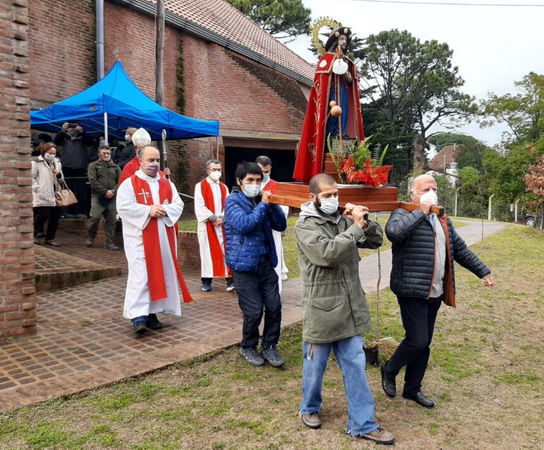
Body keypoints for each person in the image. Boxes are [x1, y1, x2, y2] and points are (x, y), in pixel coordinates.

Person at [295, 173, 395, 445]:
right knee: (314, 368)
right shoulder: (305, 226)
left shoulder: (343, 219)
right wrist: (353, 228)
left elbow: (374, 241)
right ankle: (309, 407)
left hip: (350, 307)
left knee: (356, 366)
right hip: (322, 309)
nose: (333, 199)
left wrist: (364, 220)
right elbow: (326, 254)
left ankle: (363, 423)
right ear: (313, 198)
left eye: (335, 194)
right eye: (327, 195)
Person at [381, 174, 495, 408]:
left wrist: (483, 271)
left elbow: (460, 250)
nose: (431, 192)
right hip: (411, 289)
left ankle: (412, 389)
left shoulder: (442, 218)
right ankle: (389, 369)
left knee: (425, 343)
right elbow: (394, 233)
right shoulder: (402, 213)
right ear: (413, 193)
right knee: (418, 339)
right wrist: (420, 211)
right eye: (425, 189)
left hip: (435, 291)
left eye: (434, 188)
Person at [116, 145, 193, 334]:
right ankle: (138, 316)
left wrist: (165, 210)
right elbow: (123, 207)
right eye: (150, 160)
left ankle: (152, 313)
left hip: (163, 239)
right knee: (141, 275)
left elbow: (178, 204)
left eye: (157, 160)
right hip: (139, 240)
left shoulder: (167, 183)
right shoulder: (129, 184)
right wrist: (147, 210)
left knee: (161, 273)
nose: (154, 164)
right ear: (140, 160)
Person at [224, 162, 287, 367]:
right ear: (239, 181)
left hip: (265, 263)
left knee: (274, 306)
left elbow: (281, 224)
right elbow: (245, 224)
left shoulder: (262, 200)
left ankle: (269, 345)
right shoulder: (232, 202)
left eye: (258, 180)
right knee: (253, 311)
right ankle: (248, 346)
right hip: (244, 267)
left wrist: (272, 203)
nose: (255, 184)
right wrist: (263, 205)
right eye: (250, 180)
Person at [293, 27, 365, 183]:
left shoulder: (348, 61)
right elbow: (321, 79)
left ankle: (342, 134)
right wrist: (335, 66)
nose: (344, 42)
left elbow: (351, 80)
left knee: (344, 114)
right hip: (331, 94)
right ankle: (332, 135)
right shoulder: (327, 58)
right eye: (341, 39)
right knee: (333, 115)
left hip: (344, 92)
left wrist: (345, 73)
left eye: (346, 40)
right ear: (334, 42)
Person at [194, 159, 233, 292]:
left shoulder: (224, 187)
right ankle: (206, 281)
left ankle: (229, 280)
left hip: (221, 225)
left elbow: (228, 205)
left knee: (225, 252)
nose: (217, 172)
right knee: (206, 253)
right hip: (207, 225)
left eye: (219, 170)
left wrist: (222, 217)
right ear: (208, 171)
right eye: (214, 170)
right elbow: (200, 205)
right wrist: (212, 218)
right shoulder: (200, 186)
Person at [255, 155, 289, 290]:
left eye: (266, 172)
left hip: (272, 229)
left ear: (270, 170)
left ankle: (276, 291)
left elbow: (284, 209)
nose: (263, 174)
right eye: (261, 171)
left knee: (274, 260)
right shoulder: (250, 184)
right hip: (255, 228)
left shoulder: (277, 186)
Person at [54, 122, 94, 218]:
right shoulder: (64, 137)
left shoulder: (82, 137)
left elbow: (90, 142)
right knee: (68, 191)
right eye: (70, 127)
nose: (72, 129)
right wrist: (62, 130)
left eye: (74, 126)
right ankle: (69, 212)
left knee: (82, 191)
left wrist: (82, 132)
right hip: (67, 167)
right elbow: (55, 141)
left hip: (80, 167)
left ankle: (82, 212)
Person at [86, 145, 122, 250]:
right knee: (95, 217)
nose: (106, 155)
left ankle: (109, 242)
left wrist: (113, 191)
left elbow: (120, 181)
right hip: (98, 196)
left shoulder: (116, 167)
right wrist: (104, 191)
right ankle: (91, 236)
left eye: (108, 153)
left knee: (111, 220)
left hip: (112, 197)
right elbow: (93, 180)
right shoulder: (93, 166)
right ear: (99, 154)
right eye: (104, 153)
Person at [32, 143, 64, 247]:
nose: (52, 155)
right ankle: (33, 234)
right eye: (50, 153)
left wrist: (58, 174)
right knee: (43, 215)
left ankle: (50, 238)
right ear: (44, 152)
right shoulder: (36, 162)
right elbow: (31, 177)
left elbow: (62, 179)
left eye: (54, 153)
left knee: (55, 217)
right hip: (43, 192)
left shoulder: (57, 162)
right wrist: (37, 188)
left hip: (55, 192)